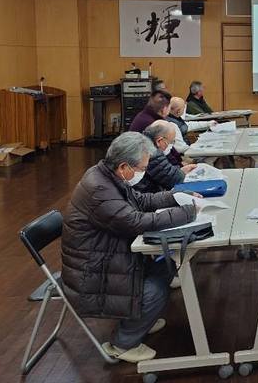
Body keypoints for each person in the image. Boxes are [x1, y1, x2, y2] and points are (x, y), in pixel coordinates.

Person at [61, 132, 197, 363]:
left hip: (107, 258)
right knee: (155, 290)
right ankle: (123, 343)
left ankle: (140, 320)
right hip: (92, 274)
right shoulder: (100, 189)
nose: (143, 172)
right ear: (124, 166)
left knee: (166, 265)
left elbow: (141, 200)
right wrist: (186, 213)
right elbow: (135, 221)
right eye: (141, 168)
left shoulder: (108, 176)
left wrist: (175, 196)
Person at [139, 121, 197, 193]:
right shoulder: (153, 153)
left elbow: (167, 172)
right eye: (171, 142)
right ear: (159, 141)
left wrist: (181, 171)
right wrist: (182, 172)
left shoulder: (144, 142)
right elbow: (173, 180)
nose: (171, 145)